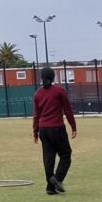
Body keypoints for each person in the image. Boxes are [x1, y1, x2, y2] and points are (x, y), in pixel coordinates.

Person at [32, 67, 77, 195]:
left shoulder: (37, 94)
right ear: (53, 78)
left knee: (48, 158)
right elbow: (67, 110)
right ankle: (57, 179)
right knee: (66, 155)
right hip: (57, 128)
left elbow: (36, 115)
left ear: (41, 78)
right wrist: (73, 126)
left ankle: (50, 188)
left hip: (43, 130)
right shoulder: (59, 91)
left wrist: (35, 132)